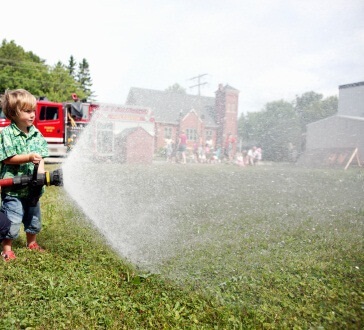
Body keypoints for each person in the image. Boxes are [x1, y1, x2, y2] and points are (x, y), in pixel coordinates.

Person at [0, 89, 49, 261]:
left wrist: (41, 176)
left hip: (32, 190)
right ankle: (7, 248)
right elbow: (7, 158)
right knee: (12, 221)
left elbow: (41, 156)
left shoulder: (36, 134)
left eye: (33, 111)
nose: (32, 115)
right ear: (13, 113)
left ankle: (32, 243)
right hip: (13, 189)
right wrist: (28, 157)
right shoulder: (7, 134)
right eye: (27, 111)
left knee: (34, 219)